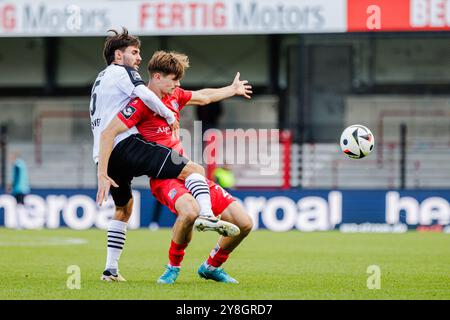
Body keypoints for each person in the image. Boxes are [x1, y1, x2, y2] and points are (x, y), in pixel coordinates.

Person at [92, 28, 239, 282]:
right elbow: (145, 94)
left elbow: (203, 97)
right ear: (118, 55)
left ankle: (110, 270)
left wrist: (102, 171)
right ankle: (206, 214)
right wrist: (169, 115)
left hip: (105, 152)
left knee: (124, 208)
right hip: (126, 145)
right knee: (194, 169)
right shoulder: (124, 72)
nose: (138, 58)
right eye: (134, 52)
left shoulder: (101, 78)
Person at [8, 152, 30, 230]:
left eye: (11, 158)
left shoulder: (18, 164)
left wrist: (12, 185)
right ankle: (21, 223)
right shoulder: (20, 164)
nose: (10, 160)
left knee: (19, 206)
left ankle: (21, 224)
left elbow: (17, 176)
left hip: (19, 188)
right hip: (22, 188)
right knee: (20, 205)